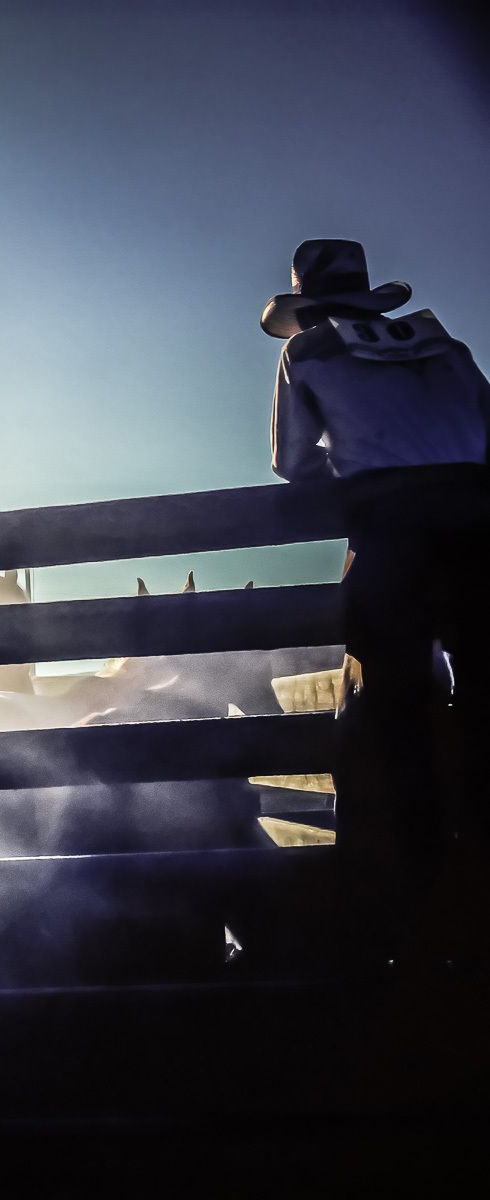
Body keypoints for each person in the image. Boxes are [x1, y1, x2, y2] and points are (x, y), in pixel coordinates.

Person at [266, 237, 490, 965]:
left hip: (393, 531)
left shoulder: (310, 353)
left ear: (306, 306)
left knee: (390, 712)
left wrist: (355, 456)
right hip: (480, 523)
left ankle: (421, 895)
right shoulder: (443, 342)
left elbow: (293, 463)